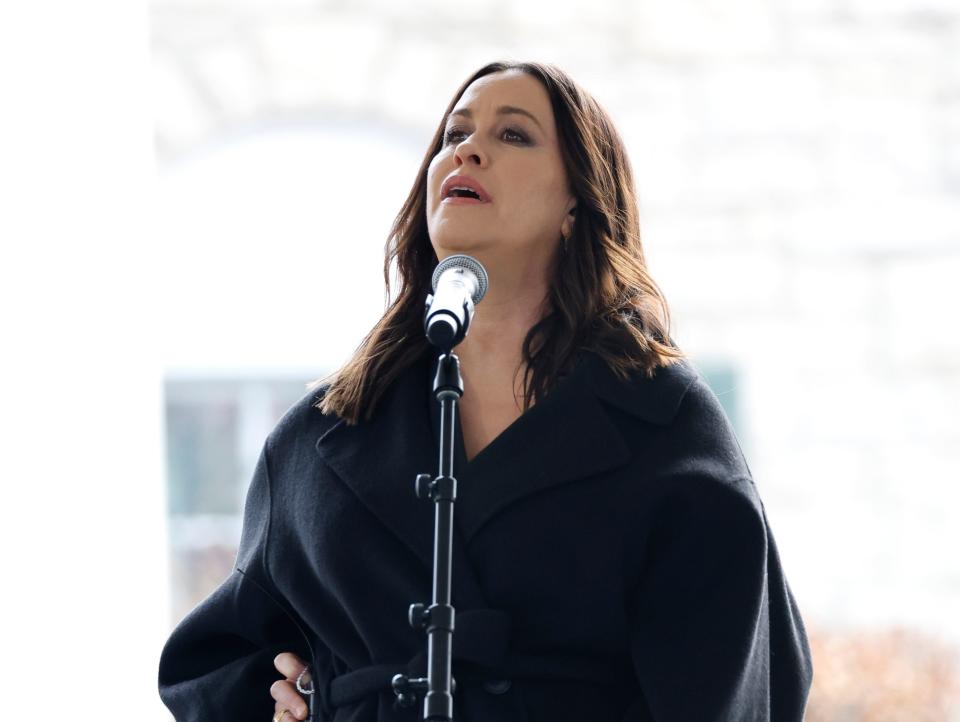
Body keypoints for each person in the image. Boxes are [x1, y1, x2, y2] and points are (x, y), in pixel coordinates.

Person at [158, 60, 814, 722]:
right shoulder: (321, 437)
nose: (466, 149)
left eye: (514, 135)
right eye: (454, 133)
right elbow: (214, 666)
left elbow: (740, 683)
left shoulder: (661, 424)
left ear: (576, 203)